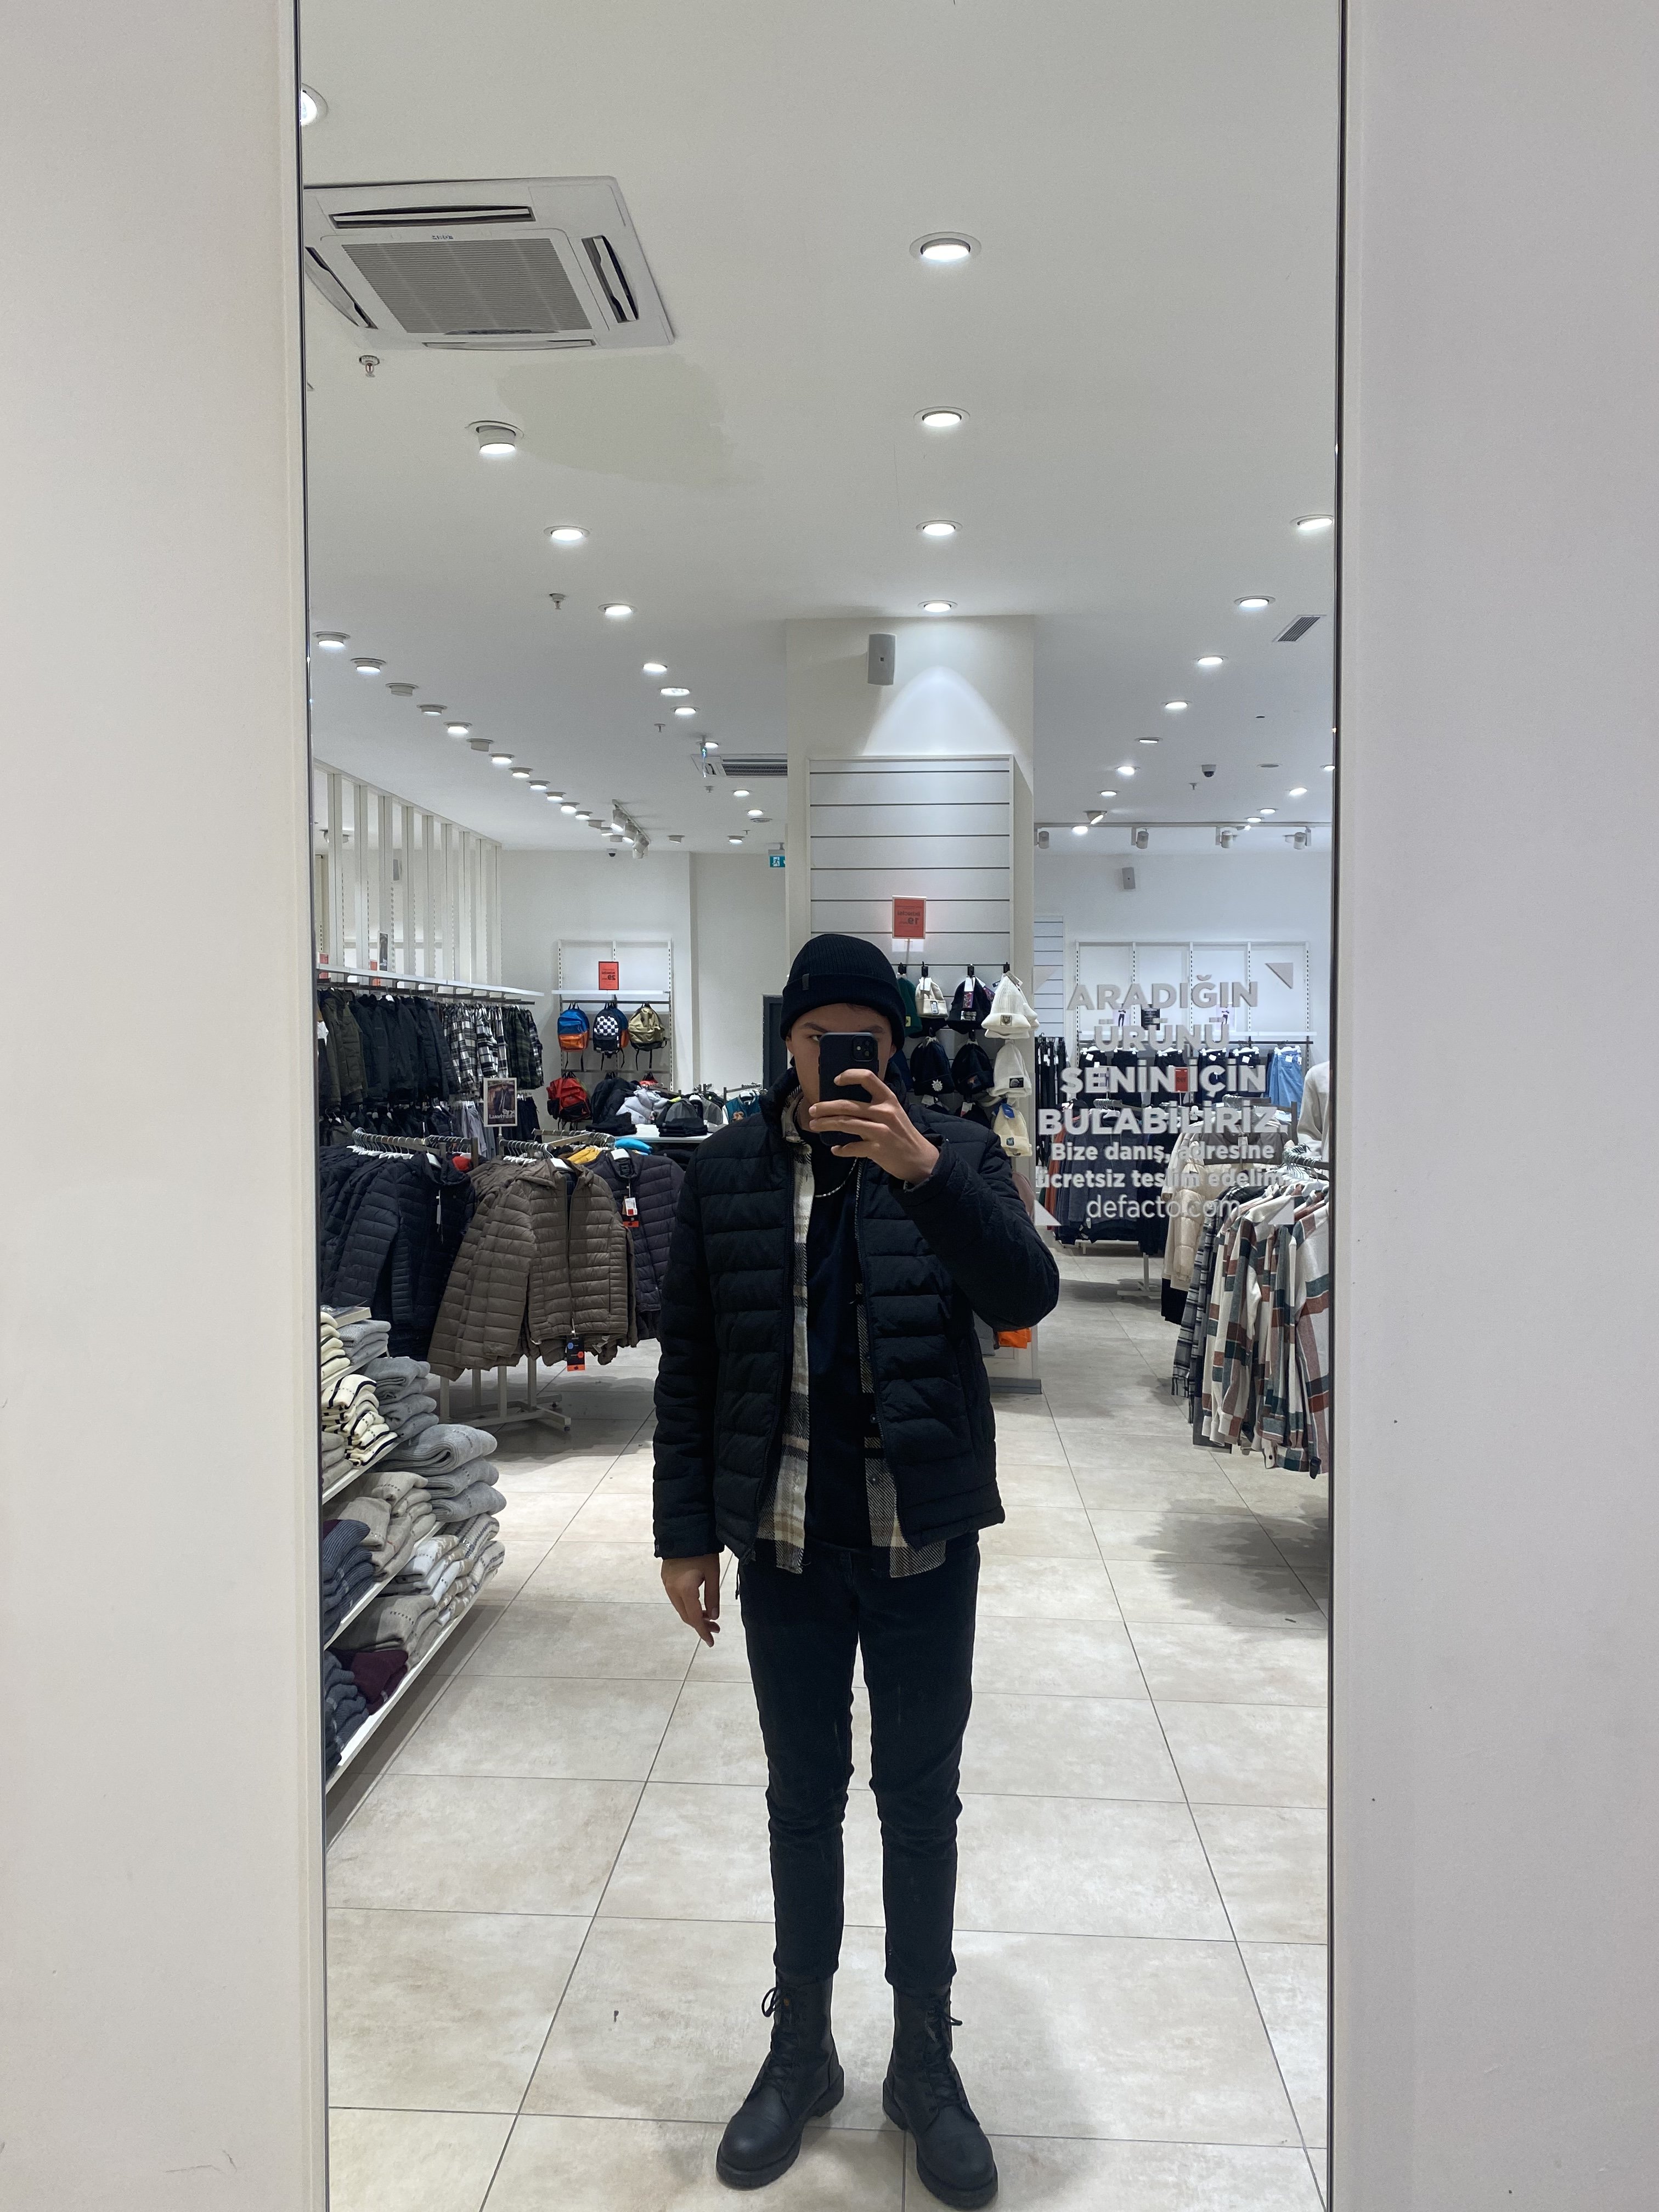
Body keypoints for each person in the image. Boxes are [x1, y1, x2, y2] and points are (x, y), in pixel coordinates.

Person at [653, 934, 1059, 2207]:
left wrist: (924, 1170)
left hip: (919, 1536)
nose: (844, 1058)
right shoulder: (724, 1169)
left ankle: (924, 2063)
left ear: (897, 1048)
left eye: (868, 1041)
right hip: (782, 1537)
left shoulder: (958, 1152)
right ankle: (804, 2049)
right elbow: (691, 1358)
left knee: (920, 1801)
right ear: (788, 1042)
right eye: (823, 1036)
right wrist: (683, 1531)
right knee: (802, 1796)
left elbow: (1028, 1292)